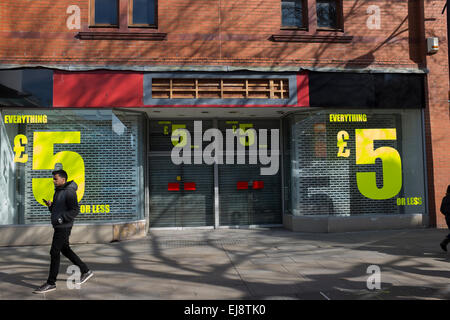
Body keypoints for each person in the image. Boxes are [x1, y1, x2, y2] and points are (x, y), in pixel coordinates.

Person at [33, 169, 93, 294]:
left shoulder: (69, 192)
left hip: (63, 227)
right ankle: (86, 270)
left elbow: (75, 210)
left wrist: (61, 219)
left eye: (56, 179)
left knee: (54, 252)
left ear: (63, 179)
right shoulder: (59, 191)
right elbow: (59, 209)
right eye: (53, 178)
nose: (53, 181)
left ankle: (51, 283)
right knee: (65, 250)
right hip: (59, 226)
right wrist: (51, 206)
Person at [439, 185, 450, 252]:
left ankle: (444, 243)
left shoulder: (445, 198)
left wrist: (446, 214)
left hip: (448, 218)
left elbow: (441, 209)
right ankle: (444, 242)